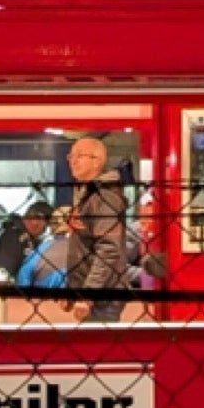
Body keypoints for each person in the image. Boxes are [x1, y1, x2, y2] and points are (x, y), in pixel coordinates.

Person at [65, 136, 131, 322]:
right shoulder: (88, 193)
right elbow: (84, 245)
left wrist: (88, 295)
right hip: (94, 292)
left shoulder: (104, 196)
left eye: (79, 155)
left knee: (99, 347)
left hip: (103, 296)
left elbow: (108, 249)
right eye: (70, 156)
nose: (73, 161)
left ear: (96, 161)